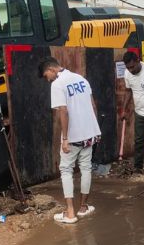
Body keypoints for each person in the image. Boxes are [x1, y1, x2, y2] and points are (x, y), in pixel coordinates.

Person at [39, 56, 101, 224]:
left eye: (46, 75)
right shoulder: (80, 78)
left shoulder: (57, 84)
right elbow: (93, 106)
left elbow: (63, 111)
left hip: (73, 136)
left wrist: (65, 138)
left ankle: (71, 213)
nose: (47, 79)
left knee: (66, 170)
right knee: (86, 168)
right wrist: (96, 130)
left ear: (51, 70)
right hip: (89, 134)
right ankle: (83, 207)